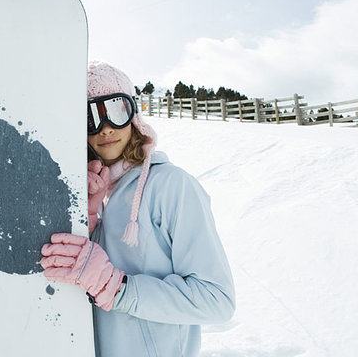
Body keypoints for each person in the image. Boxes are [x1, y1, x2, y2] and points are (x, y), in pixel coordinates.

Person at [41, 61, 235, 356]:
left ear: (133, 116)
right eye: (91, 117)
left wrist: (118, 288)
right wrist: (89, 222)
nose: (105, 128)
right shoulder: (95, 194)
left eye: (116, 111)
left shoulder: (171, 185)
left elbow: (217, 300)